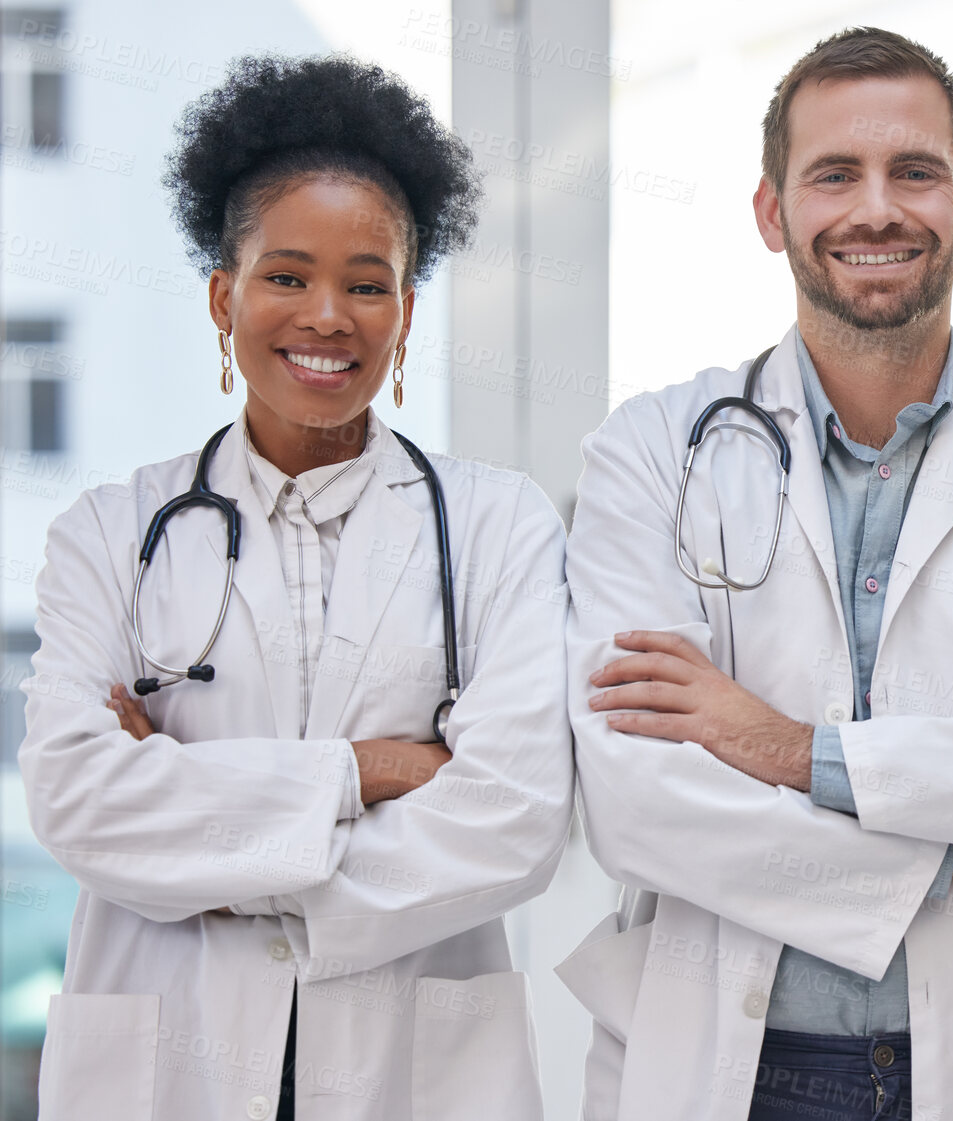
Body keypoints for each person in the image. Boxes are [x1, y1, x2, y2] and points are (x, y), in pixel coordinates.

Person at [556, 27, 953, 1121]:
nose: (876, 209)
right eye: (834, 174)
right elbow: (636, 799)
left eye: (915, 172)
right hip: (731, 1063)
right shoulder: (653, 452)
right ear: (772, 211)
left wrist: (786, 748)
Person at [18, 54, 573, 1121]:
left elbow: (512, 817)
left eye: (367, 284)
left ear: (405, 313)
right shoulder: (108, 533)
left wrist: (209, 844)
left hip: (410, 1058)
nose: (328, 314)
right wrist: (376, 769)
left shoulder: (497, 526)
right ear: (224, 295)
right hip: (166, 1050)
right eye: (286, 275)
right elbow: (80, 800)